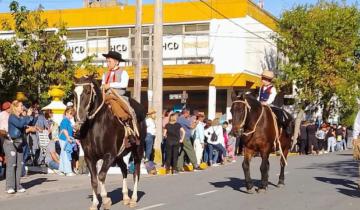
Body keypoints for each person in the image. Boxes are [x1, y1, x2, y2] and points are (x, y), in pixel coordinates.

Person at [5, 100, 36, 194]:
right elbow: (20, 124)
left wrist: (33, 115)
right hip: (10, 143)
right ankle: (10, 186)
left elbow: (30, 124)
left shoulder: (21, 117)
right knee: (12, 165)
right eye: (21, 106)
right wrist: (27, 116)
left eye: (22, 106)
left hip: (19, 143)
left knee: (19, 165)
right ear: (15, 107)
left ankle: (17, 185)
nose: (23, 107)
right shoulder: (12, 117)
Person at [58, 107, 76, 176]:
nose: (72, 116)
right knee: (66, 154)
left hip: (64, 138)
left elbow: (69, 129)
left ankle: (62, 170)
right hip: (64, 139)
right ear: (67, 113)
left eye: (72, 115)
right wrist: (68, 138)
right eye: (71, 114)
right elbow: (65, 130)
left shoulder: (67, 121)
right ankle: (68, 171)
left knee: (63, 154)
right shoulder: (65, 120)